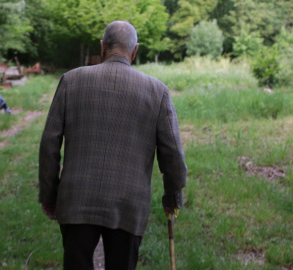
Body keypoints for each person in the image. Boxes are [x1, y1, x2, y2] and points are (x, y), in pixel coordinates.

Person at [39, 21, 187, 270]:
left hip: (76, 200)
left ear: (102, 47)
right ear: (135, 50)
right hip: (129, 205)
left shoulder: (70, 81)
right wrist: (172, 196)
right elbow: (172, 154)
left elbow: (49, 144)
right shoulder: (157, 92)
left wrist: (50, 195)